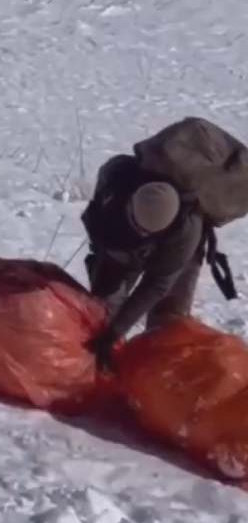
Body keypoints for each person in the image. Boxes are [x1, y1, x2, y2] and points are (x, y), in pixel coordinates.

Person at [80, 156, 206, 367]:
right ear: (131, 202)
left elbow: (156, 285)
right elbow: (100, 233)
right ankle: (97, 364)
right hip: (123, 238)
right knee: (104, 308)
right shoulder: (117, 179)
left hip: (177, 251)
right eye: (137, 225)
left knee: (169, 320)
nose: (141, 232)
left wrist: (115, 332)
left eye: (146, 232)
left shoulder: (187, 231)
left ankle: (158, 372)